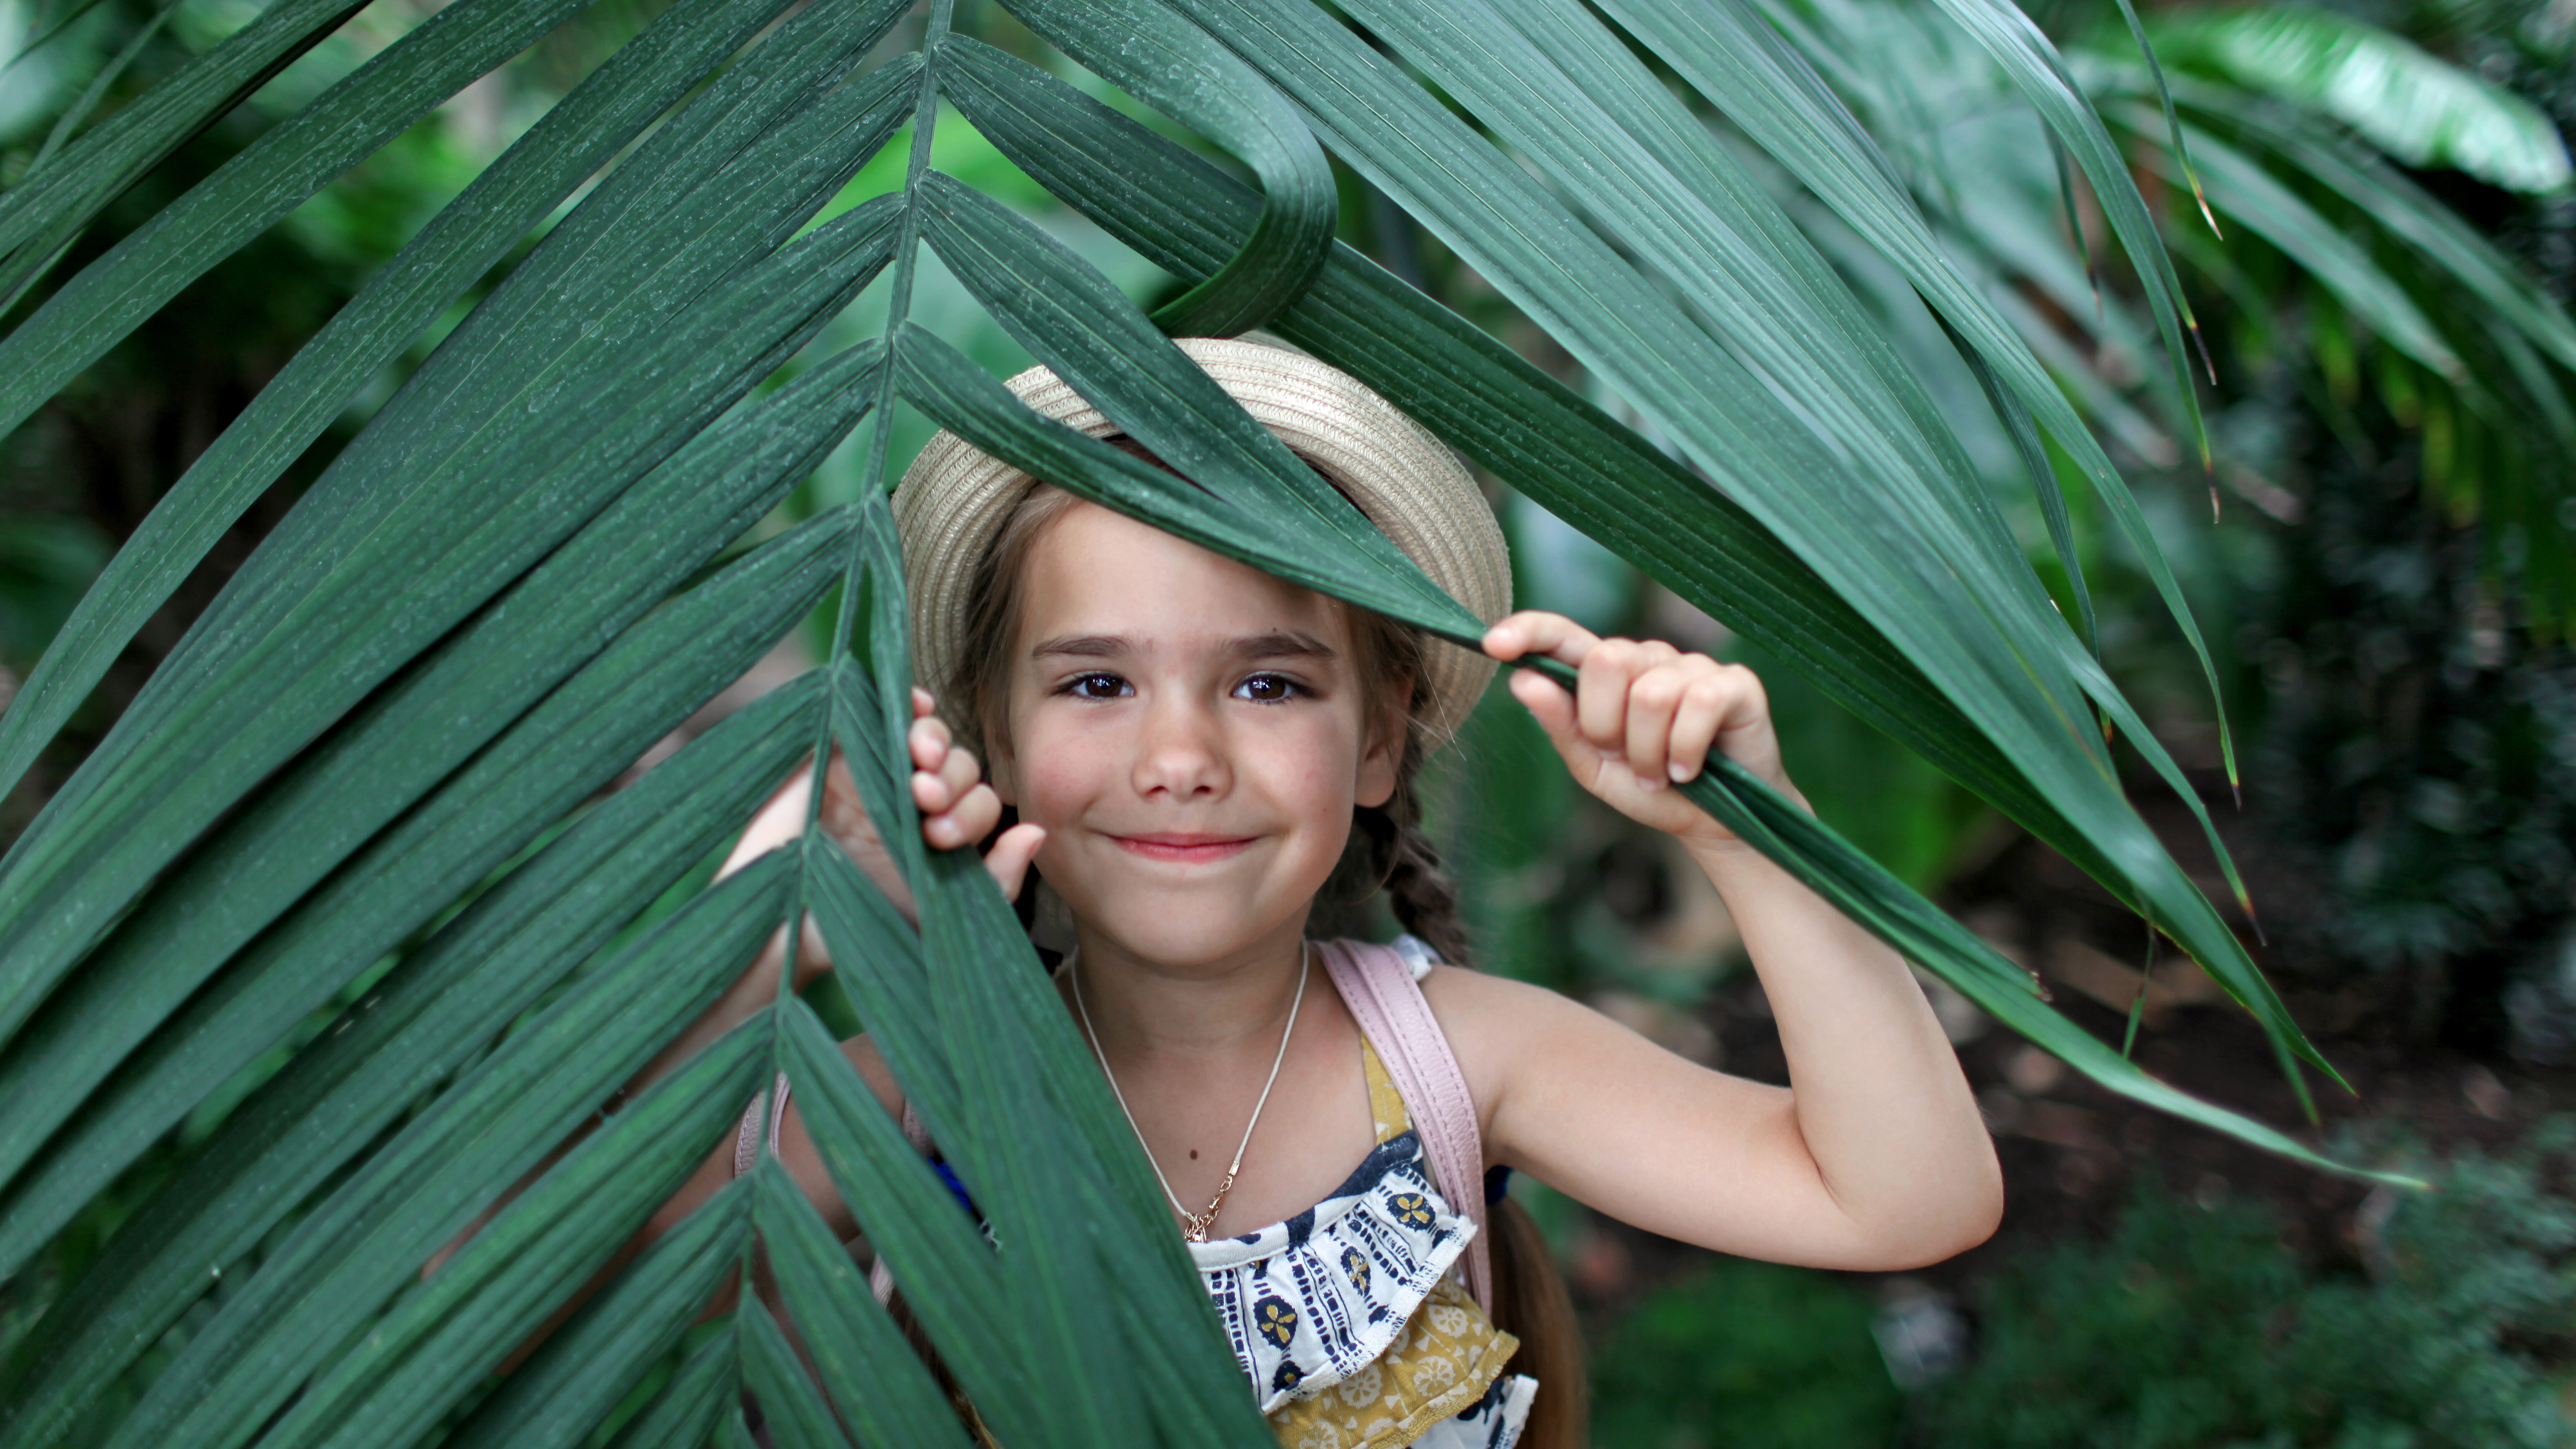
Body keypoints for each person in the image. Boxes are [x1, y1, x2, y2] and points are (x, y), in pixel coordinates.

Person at [621, 338, 2002, 1449]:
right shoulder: (933, 1090)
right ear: (992, 730)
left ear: (1383, 738)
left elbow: (1903, 1201)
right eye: (1097, 682)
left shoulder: (1461, 1062)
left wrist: (1751, 841)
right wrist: (776, 925)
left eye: (1268, 683)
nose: (1179, 760)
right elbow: (530, 1284)